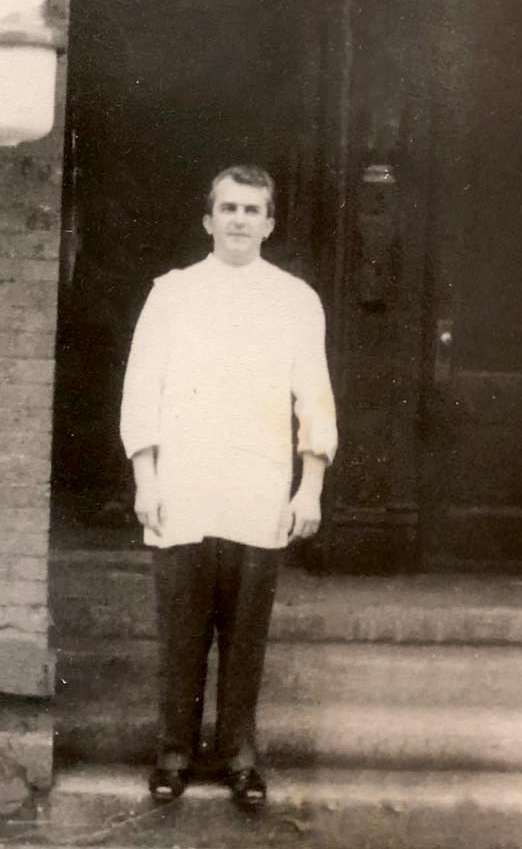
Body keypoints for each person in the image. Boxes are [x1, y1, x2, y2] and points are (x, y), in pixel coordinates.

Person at [119, 165, 337, 812]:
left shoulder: (295, 300)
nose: (240, 220)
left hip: (258, 490)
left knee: (245, 636)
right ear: (207, 219)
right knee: (182, 632)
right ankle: (174, 752)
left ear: (270, 223)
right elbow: (142, 391)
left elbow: (315, 397)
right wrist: (145, 478)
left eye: (252, 209)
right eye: (228, 208)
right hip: (183, 491)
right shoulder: (172, 294)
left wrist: (311, 485)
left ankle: (240, 754)